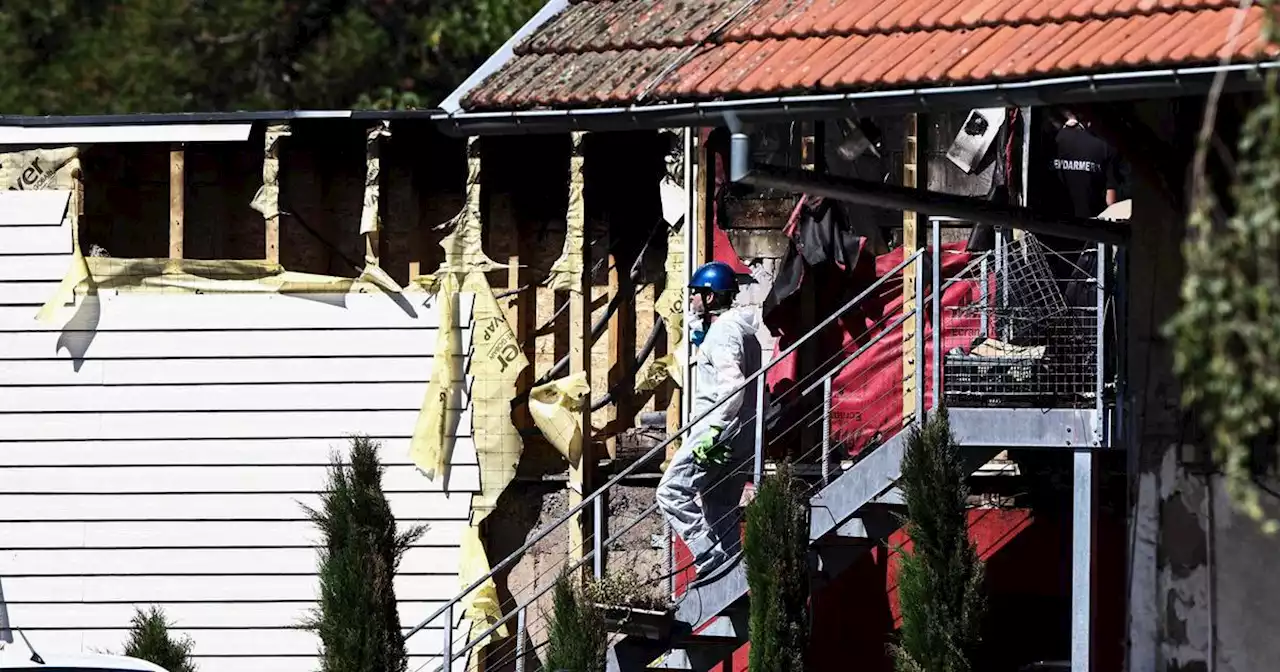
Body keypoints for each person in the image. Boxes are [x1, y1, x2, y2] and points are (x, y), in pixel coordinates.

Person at [656, 261, 762, 587]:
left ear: (712, 298)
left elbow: (733, 385)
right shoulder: (743, 333)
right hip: (743, 434)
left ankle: (707, 554)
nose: (691, 301)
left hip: (717, 431)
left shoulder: (725, 332)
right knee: (719, 507)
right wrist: (703, 337)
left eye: (696, 295)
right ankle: (732, 574)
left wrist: (715, 431)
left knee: (671, 492)